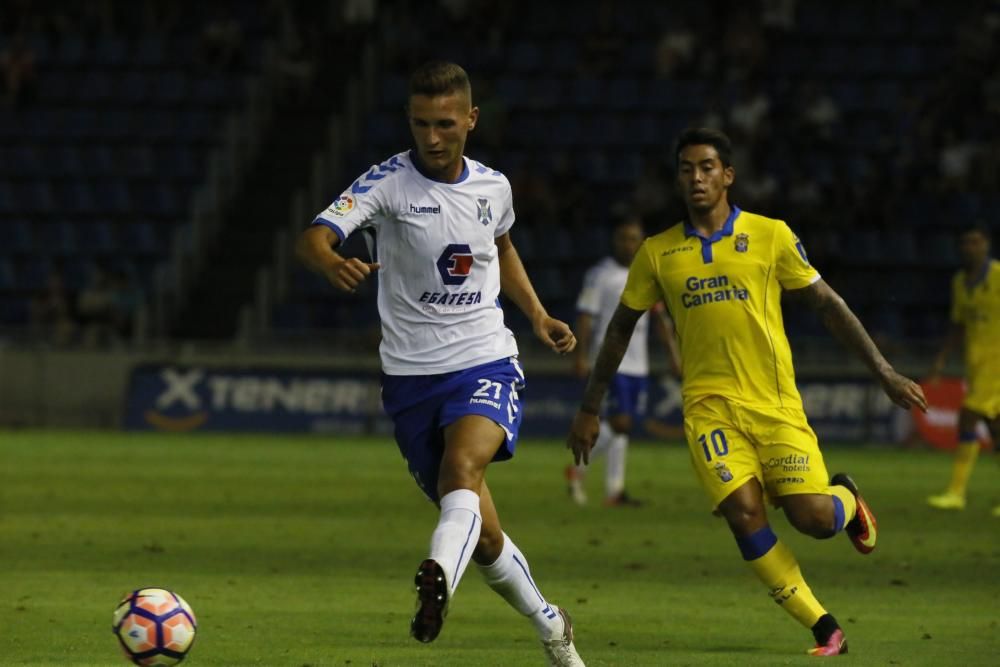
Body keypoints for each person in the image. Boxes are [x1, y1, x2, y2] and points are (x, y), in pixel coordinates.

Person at [566, 127, 927, 657]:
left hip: (774, 403)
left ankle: (847, 501)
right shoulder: (658, 253)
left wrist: (884, 371)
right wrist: (590, 407)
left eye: (707, 167)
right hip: (709, 410)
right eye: (687, 168)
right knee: (743, 512)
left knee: (812, 519)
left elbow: (827, 304)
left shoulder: (771, 235)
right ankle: (824, 627)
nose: (697, 177)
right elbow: (619, 328)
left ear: (728, 175)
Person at [296, 61, 585, 666]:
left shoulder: (493, 187)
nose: (432, 137)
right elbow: (314, 237)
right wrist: (330, 263)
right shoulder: (386, 185)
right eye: (421, 124)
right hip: (409, 379)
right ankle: (552, 624)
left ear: (471, 120)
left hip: (485, 358)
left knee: (462, 469)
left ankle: (435, 580)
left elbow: (500, 245)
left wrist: (535, 315)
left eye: (445, 124)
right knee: (482, 535)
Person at [566, 216, 682, 506]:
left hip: (638, 364)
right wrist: (580, 356)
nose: (629, 245)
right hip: (610, 362)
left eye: (634, 239)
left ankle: (614, 491)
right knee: (621, 422)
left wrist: (673, 355)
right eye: (623, 238)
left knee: (624, 428)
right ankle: (577, 468)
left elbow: (660, 319)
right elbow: (585, 315)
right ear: (614, 241)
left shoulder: (646, 274)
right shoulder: (600, 275)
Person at [926, 223, 999, 514]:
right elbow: (958, 324)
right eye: (966, 242)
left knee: (968, 418)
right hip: (977, 365)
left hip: (997, 365)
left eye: (976, 242)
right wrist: (941, 360)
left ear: (987, 245)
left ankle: (956, 493)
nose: (971, 247)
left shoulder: (998, 277)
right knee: (995, 428)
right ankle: (957, 493)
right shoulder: (960, 281)